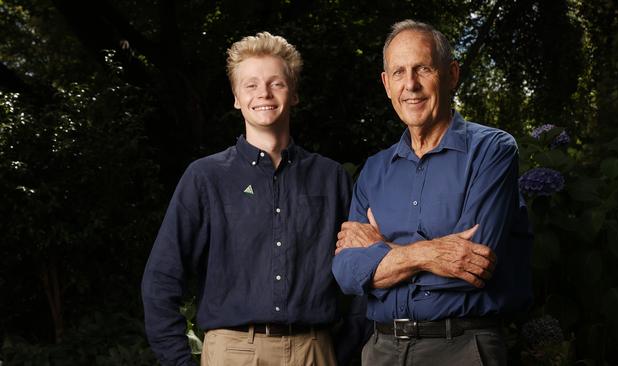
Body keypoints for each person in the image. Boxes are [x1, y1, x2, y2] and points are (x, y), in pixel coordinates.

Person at [142, 31, 357, 366]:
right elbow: (161, 280)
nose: (264, 94)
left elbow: (362, 273)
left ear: (295, 92)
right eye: (251, 85)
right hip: (232, 351)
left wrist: (341, 351)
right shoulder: (205, 177)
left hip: (315, 350)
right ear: (236, 97)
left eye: (276, 83)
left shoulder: (331, 179)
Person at [332, 19, 532, 365]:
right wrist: (433, 254)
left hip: (462, 347)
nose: (410, 84)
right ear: (386, 84)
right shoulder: (374, 170)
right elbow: (347, 273)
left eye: (423, 68)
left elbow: (474, 263)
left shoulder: (492, 150)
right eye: (398, 73)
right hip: (381, 350)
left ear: (452, 74)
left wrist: (380, 252)